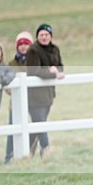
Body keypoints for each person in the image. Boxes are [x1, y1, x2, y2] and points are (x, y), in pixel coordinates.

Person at [26, 23, 64, 157]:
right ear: (37, 36)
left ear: (51, 36)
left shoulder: (55, 49)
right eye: (41, 35)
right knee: (40, 124)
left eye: (47, 35)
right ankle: (46, 152)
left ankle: (26, 152)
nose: (44, 37)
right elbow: (33, 71)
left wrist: (56, 71)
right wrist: (51, 72)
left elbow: (60, 67)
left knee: (38, 125)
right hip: (35, 96)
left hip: (48, 95)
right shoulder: (33, 50)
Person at [4, 30, 32, 163]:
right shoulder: (11, 64)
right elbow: (8, 86)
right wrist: (16, 90)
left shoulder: (36, 61)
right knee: (13, 131)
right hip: (15, 104)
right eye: (20, 44)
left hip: (33, 102)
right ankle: (8, 157)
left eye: (26, 44)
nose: (23, 46)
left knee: (37, 129)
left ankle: (34, 155)